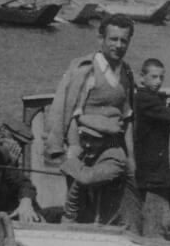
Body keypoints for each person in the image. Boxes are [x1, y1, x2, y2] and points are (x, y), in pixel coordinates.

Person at [45, 15, 136, 164]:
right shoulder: (86, 69)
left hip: (113, 151)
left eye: (124, 40)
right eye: (113, 39)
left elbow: (127, 120)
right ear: (101, 39)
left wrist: (131, 159)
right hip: (84, 149)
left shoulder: (126, 73)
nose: (119, 45)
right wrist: (72, 151)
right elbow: (68, 113)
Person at [60, 108, 138, 226]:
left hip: (123, 229)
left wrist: (71, 161)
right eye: (85, 138)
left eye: (96, 140)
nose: (88, 144)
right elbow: (76, 186)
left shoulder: (115, 157)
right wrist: (68, 219)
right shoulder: (88, 157)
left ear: (107, 141)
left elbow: (86, 178)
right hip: (102, 226)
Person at [133, 58, 170, 238]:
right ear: (142, 77)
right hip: (153, 173)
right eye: (153, 77)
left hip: (152, 170)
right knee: (160, 221)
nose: (158, 82)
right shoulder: (146, 99)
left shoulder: (148, 98)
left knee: (156, 216)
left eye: (161, 77)